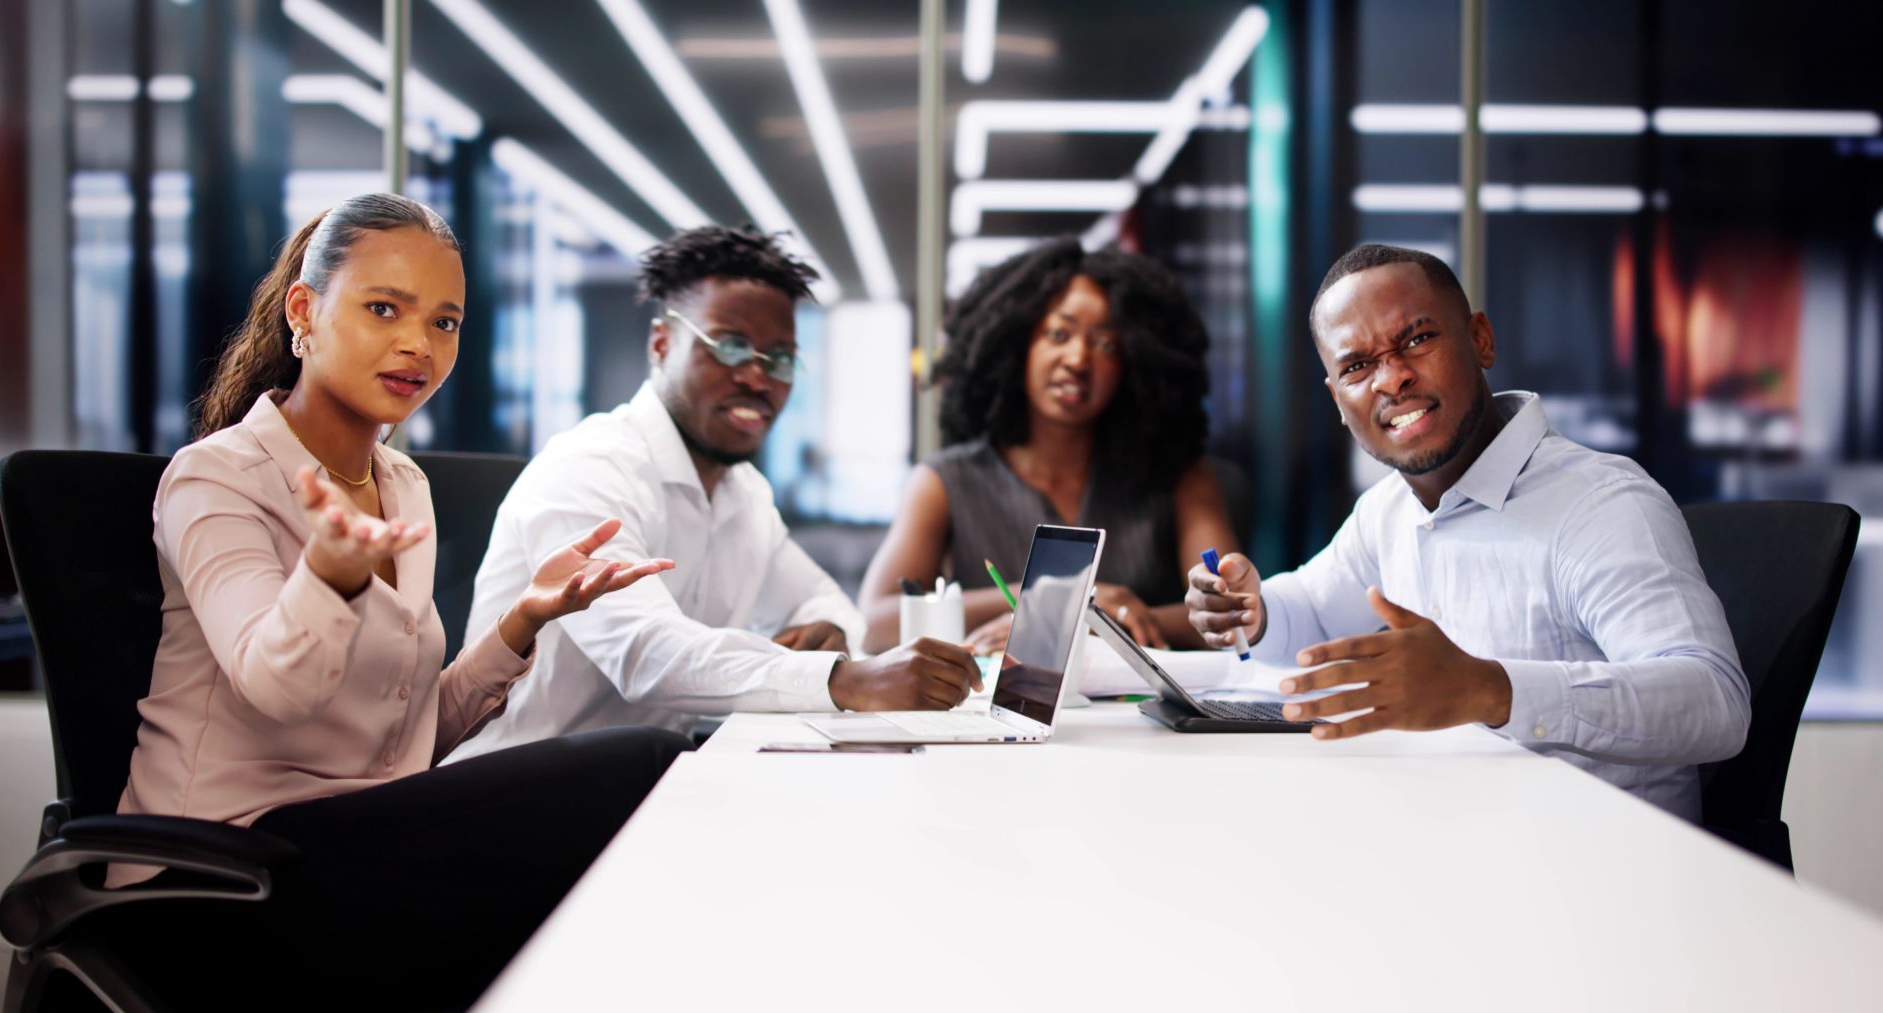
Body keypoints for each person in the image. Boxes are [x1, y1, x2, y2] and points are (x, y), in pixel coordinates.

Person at [111, 193, 687, 1008]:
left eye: (445, 322)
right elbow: (274, 685)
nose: (419, 343)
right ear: (304, 311)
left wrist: (525, 619)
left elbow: (404, 742)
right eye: (385, 309)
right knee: (640, 762)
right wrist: (331, 577)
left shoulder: (402, 484)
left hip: (360, 851)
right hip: (223, 873)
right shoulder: (218, 477)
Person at [1186, 243, 1749, 820]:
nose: (1392, 379)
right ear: (1337, 399)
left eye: (1416, 340)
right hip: (1462, 842)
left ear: (1481, 339)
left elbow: (1715, 703)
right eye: (1357, 367)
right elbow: (1316, 612)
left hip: (1603, 866)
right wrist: (1253, 609)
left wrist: (1489, 689)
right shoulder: (1389, 509)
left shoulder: (1599, 505)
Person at [447, 225, 983, 760]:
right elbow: (646, 654)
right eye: (730, 347)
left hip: (648, 785)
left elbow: (828, 603)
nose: (758, 377)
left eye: (779, 359)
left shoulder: (744, 494)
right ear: (661, 344)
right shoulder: (590, 467)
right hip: (515, 788)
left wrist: (830, 634)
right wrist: (841, 679)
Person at [858, 239, 1242, 653]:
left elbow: (1226, 611)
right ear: (1015, 344)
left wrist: (1087, 622)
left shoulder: (1180, 475)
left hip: (1140, 714)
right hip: (999, 713)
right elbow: (875, 623)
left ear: (1134, 365)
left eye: (1107, 345)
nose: (1078, 359)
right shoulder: (944, 481)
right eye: (1058, 334)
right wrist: (1045, 604)